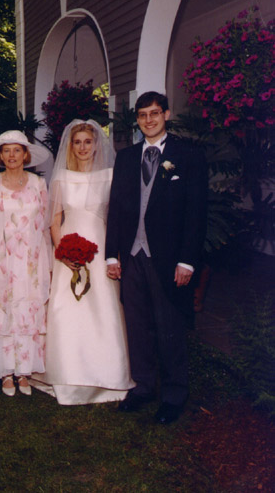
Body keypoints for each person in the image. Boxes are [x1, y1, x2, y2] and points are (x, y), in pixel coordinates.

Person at [106, 91, 207, 425]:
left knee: (170, 326)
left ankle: (174, 394)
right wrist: (110, 255)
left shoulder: (188, 155)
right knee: (137, 326)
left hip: (168, 257)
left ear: (166, 114)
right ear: (136, 119)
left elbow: (196, 212)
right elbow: (117, 210)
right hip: (133, 256)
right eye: (142, 115)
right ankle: (144, 387)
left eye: (154, 113)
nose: (148, 120)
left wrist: (188, 261)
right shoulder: (126, 158)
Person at [32, 120, 135, 404]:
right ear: (70, 145)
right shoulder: (62, 177)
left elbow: (118, 217)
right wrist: (63, 252)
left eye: (87, 142)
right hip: (69, 247)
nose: (82, 147)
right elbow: (54, 221)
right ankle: (66, 374)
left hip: (102, 248)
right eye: (77, 142)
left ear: (96, 144)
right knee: (68, 309)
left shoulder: (110, 176)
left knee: (104, 309)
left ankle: (109, 376)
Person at [0, 130, 51, 396]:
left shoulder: (39, 185)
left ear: (25, 154)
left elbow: (44, 228)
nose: (12, 155)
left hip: (30, 264)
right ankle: (6, 371)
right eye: (6, 151)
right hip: (0, 264)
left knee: (28, 315)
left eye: (17, 150)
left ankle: (24, 372)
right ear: (0, 156)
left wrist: (48, 265)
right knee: (4, 314)